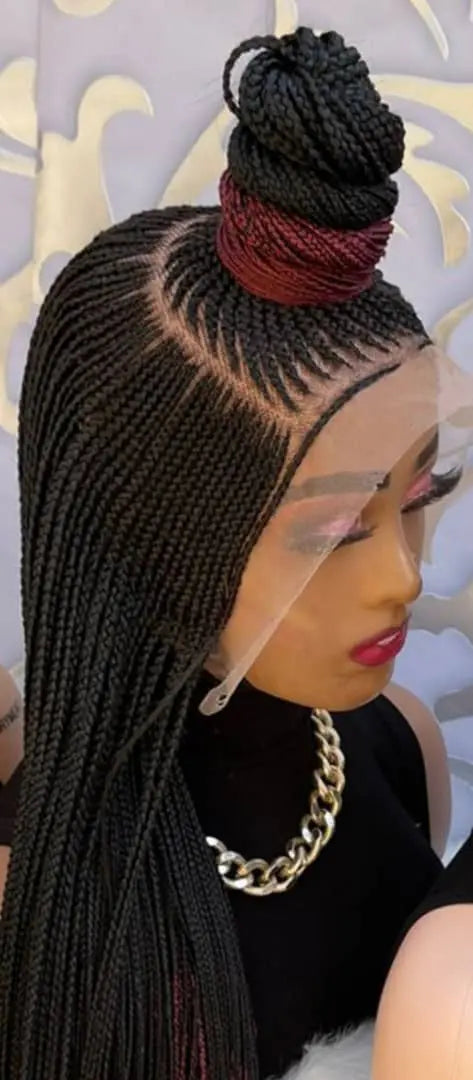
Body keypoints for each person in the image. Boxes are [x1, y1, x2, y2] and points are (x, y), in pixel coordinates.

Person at [0, 27, 470, 1080]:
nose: (403, 575)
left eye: (418, 495)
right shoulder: (39, 900)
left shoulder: (396, 743)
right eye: (334, 532)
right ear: (148, 532)